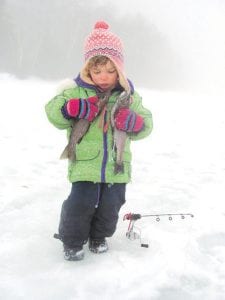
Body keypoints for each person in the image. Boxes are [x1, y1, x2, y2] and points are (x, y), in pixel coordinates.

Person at [45, 20, 153, 261]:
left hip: (117, 166)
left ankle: (99, 236)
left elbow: (147, 124)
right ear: (87, 70)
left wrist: (136, 123)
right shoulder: (75, 92)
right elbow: (53, 112)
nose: (103, 77)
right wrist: (70, 108)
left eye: (110, 71)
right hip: (85, 163)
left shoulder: (129, 97)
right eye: (97, 71)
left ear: (120, 70)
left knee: (111, 206)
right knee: (80, 203)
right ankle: (72, 240)